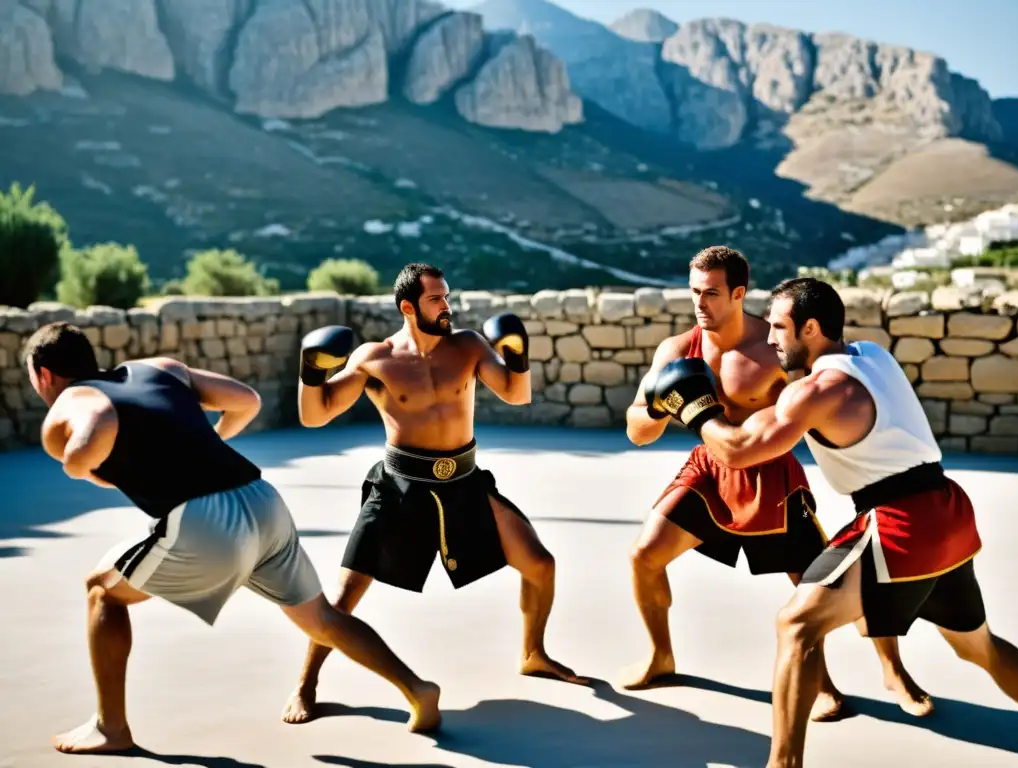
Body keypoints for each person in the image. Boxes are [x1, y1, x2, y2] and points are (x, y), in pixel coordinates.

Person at [22, 322, 441, 755]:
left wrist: (80, 467)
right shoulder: (160, 368)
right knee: (321, 619)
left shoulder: (72, 400)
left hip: (206, 522)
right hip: (260, 499)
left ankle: (111, 728)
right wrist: (209, 441)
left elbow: (83, 446)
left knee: (101, 591)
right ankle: (417, 688)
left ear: (44, 375)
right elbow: (245, 401)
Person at [660, 276, 1018, 767]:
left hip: (902, 521)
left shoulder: (816, 391)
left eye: (779, 328)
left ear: (811, 329)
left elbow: (739, 451)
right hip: (949, 511)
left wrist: (696, 408)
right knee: (982, 650)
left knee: (795, 625)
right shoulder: (871, 355)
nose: (768, 339)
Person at [622, 247, 930, 722]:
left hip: (771, 474)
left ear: (739, 293)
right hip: (708, 470)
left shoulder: (775, 350)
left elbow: (805, 410)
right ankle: (661, 656)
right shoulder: (676, 351)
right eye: (694, 293)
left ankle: (886, 674)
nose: (699, 304)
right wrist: (666, 406)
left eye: (711, 294)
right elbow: (635, 428)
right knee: (645, 556)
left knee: (823, 583)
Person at [280, 262, 583, 725]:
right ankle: (306, 685)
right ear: (408, 307)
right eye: (436, 299)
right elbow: (315, 416)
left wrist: (518, 357)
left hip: (464, 481)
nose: (448, 306)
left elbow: (515, 394)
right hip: (400, 487)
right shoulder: (375, 358)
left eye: (447, 297)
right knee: (344, 597)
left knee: (540, 564)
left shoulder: (467, 346)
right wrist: (310, 372)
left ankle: (534, 653)